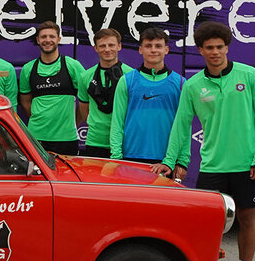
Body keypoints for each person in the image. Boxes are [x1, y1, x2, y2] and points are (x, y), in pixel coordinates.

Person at [156, 21, 255, 261]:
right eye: (210, 48)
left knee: (247, 219)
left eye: (220, 47)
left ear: (227, 47)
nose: (215, 52)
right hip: (212, 166)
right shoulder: (194, 85)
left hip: (246, 165)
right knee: (209, 225)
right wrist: (169, 161)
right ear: (201, 50)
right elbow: (181, 126)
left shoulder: (250, 75)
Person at [110, 27, 184, 163]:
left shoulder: (180, 83)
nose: (153, 50)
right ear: (140, 50)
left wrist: (182, 161)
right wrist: (116, 157)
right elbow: (117, 122)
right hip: (131, 157)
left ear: (166, 50)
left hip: (167, 160)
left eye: (158, 46)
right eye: (148, 46)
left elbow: (184, 126)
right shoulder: (127, 80)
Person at [18, 21, 87, 155]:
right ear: (38, 40)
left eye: (52, 36)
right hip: (36, 137)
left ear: (59, 39)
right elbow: (25, 101)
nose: (47, 40)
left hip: (67, 138)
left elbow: (86, 98)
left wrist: (74, 121)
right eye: (43, 37)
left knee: (66, 176)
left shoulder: (72, 65)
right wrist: (38, 119)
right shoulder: (28, 68)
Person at [77, 28, 133, 158]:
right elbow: (84, 110)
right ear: (95, 48)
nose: (107, 49)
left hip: (123, 143)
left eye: (111, 45)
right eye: (102, 46)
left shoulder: (131, 75)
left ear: (119, 46)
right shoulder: (85, 76)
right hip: (95, 142)